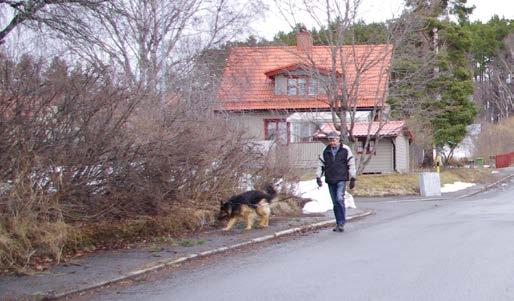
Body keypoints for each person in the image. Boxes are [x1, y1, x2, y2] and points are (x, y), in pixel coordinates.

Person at [315, 131, 356, 232]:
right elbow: (321, 165)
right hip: (330, 179)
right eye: (330, 140)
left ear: (338, 140)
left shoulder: (345, 149)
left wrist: (353, 177)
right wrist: (318, 177)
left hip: (341, 179)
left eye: (334, 140)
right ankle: (338, 223)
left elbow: (351, 163)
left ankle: (341, 222)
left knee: (339, 199)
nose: (332, 142)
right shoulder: (325, 150)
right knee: (335, 203)